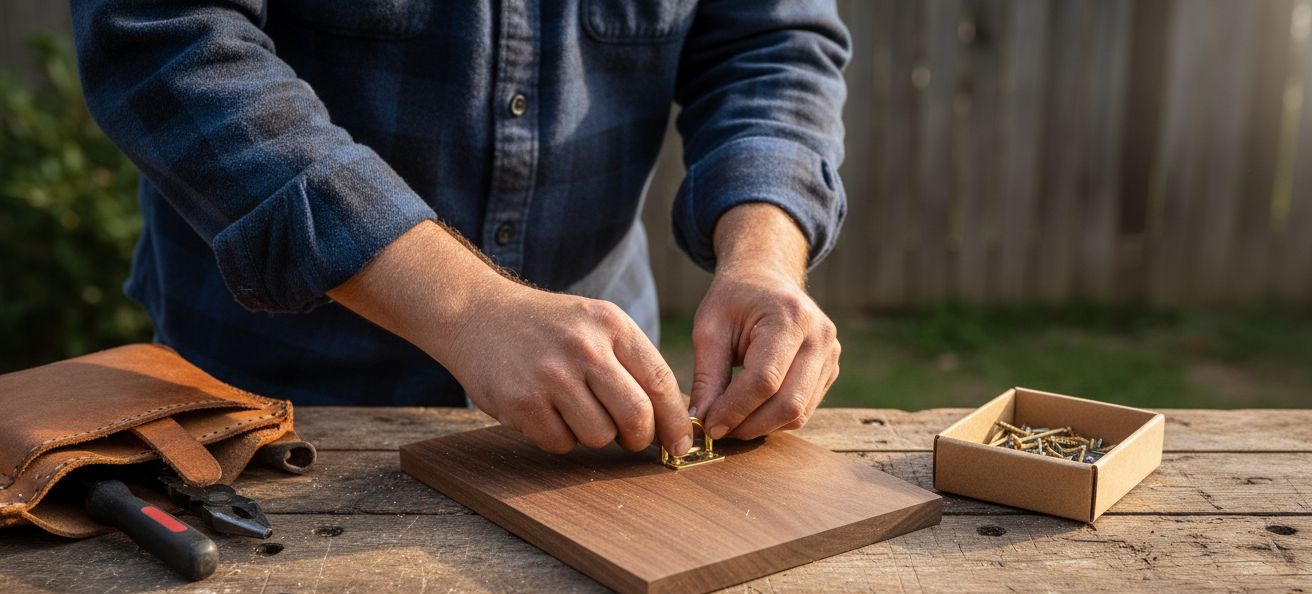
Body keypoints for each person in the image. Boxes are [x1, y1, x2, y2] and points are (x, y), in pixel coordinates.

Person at [71, 1, 849, 459]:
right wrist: (467, 308)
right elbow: (165, 38)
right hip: (273, 406)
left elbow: (772, 44)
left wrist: (764, 256)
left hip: (604, 405)